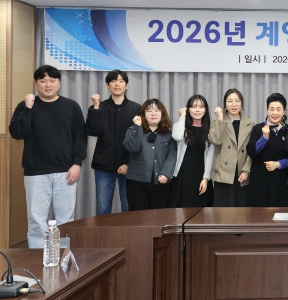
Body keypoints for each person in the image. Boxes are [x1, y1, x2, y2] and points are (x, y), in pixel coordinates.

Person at [9, 65, 86, 248]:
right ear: (36, 84)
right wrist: (28, 108)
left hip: (66, 172)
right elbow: (17, 133)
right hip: (35, 173)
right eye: (43, 81)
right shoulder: (25, 106)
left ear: (59, 83)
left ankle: (63, 257)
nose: (48, 85)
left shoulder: (72, 106)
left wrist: (77, 164)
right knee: (36, 220)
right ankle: (37, 259)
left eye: (52, 80)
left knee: (66, 220)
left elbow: (80, 138)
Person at [85, 69, 141, 215]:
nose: (117, 84)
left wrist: (128, 163)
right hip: (104, 165)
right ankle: (103, 232)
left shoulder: (136, 108)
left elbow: (140, 140)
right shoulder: (98, 107)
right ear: (107, 85)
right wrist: (95, 107)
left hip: (129, 166)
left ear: (127, 85)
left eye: (121, 81)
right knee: (103, 207)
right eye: (113, 81)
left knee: (128, 208)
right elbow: (92, 131)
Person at [123, 99, 177, 211]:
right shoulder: (133, 129)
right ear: (143, 114)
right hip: (137, 182)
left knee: (159, 216)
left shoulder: (168, 134)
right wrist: (137, 127)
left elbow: (172, 155)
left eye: (157, 110)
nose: (153, 114)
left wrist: (166, 174)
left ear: (162, 114)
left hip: (160, 181)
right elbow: (133, 147)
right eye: (149, 111)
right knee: (138, 216)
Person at [208, 89, 254, 207]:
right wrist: (220, 118)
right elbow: (216, 140)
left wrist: (246, 170)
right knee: (222, 213)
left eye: (237, 101)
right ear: (225, 104)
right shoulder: (217, 121)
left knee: (241, 212)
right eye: (230, 101)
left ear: (241, 103)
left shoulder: (250, 124)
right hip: (223, 174)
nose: (234, 104)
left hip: (241, 175)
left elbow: (252, 151)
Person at [247, 93, 288, 207]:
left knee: (280, 212)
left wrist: (278, 164)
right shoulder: (258, 128)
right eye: (271, 109)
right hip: (259, 180)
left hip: (281, 181)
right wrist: (264, 137)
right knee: (259, 213)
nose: (275, 113)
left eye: (278, 109)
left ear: (284, 111)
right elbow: (251, 152)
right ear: (267, 110)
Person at [170, 95, 216, 208]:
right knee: (180, 209)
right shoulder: (180, 125)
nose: (197, 110)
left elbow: (210, 156)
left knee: (201, 209)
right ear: (188, 109)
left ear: (205, 109)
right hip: (182, 174)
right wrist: (182, 116)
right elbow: (177, 137)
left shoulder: (210, 129)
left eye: (201, 107)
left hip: (201, 174)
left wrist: (206, 178)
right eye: (194, 106)